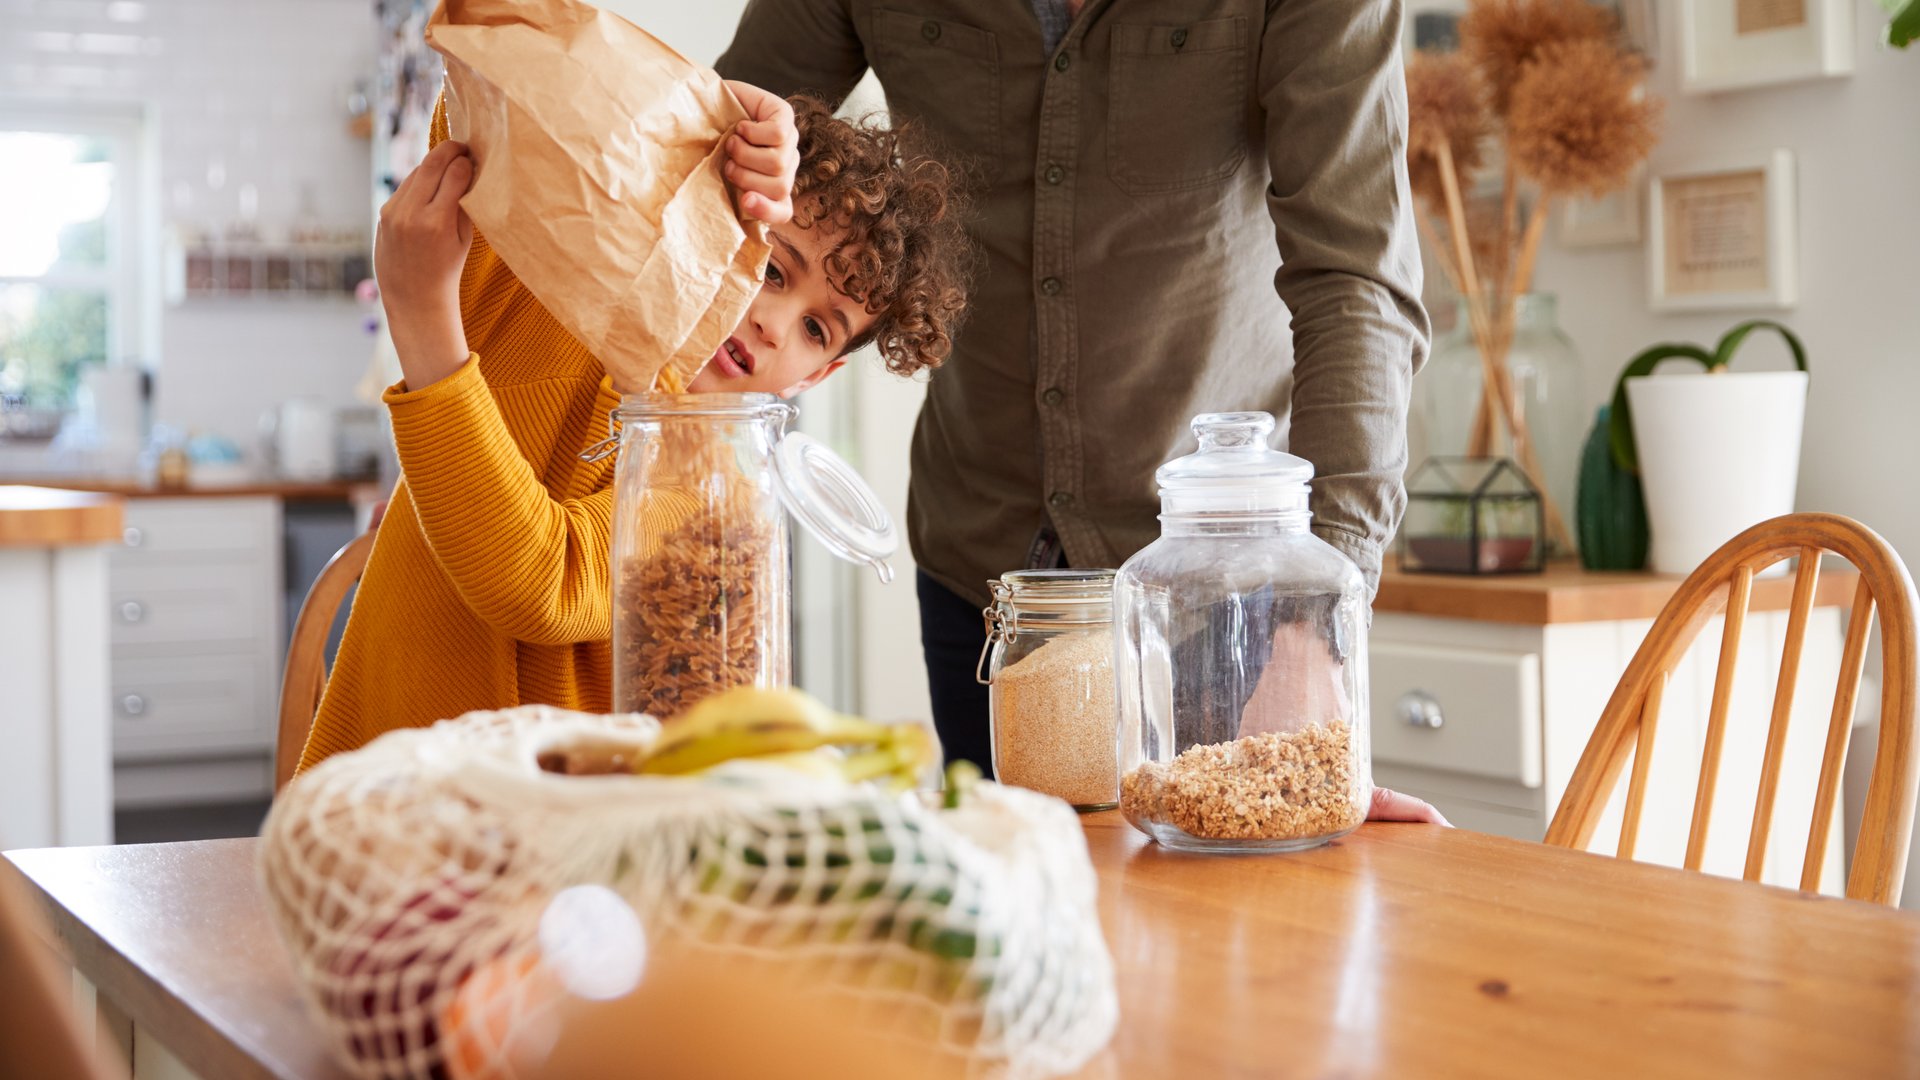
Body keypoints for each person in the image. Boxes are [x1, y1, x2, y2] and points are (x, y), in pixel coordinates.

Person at [717, 2, 1434, 784]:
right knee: (1002, 858)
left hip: (1224, 592)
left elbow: (1354, 281)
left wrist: (1313, 623)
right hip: (978, 565)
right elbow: (703, 159)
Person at [296, 86, 970, 770]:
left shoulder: (714, 493)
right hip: (374, 787)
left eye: (816, 329)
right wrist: (697, 103)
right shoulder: (551, 278)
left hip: (553, 818)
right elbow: (490, 86)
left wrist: (422, 317)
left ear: (814, 377)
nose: (773, 323)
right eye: (772, 269)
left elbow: (541, 582)